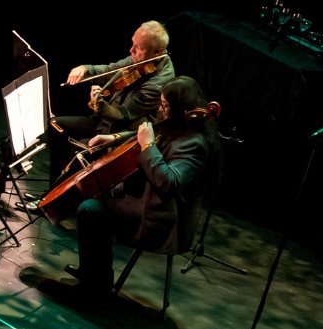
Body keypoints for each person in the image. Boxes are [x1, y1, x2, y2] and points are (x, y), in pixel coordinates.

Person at [69, 75, 219, 296]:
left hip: (161, 219)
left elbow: (169, 182)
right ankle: (94, 274)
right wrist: (113, 138)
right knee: (96, 194)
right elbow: (150, 133)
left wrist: (147, 145)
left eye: (165, 105)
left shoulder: (194, 145)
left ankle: (95, 287)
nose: (160, 109)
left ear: (181, 109)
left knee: (91, 210)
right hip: (147, 200)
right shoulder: (176, 126)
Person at [50, 20, 175, 179]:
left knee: (78, 150)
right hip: (103, 121)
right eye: (132, 44)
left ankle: (56, 200)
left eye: (139, 48)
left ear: (158, 52)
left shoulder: (158, 84)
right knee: (55, 125)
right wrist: (86, 69)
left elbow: (123, 115)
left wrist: (100, 104)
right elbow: (111, 70)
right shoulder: (142, 59)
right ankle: (49, 190)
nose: (131, 50)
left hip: (119, 133)